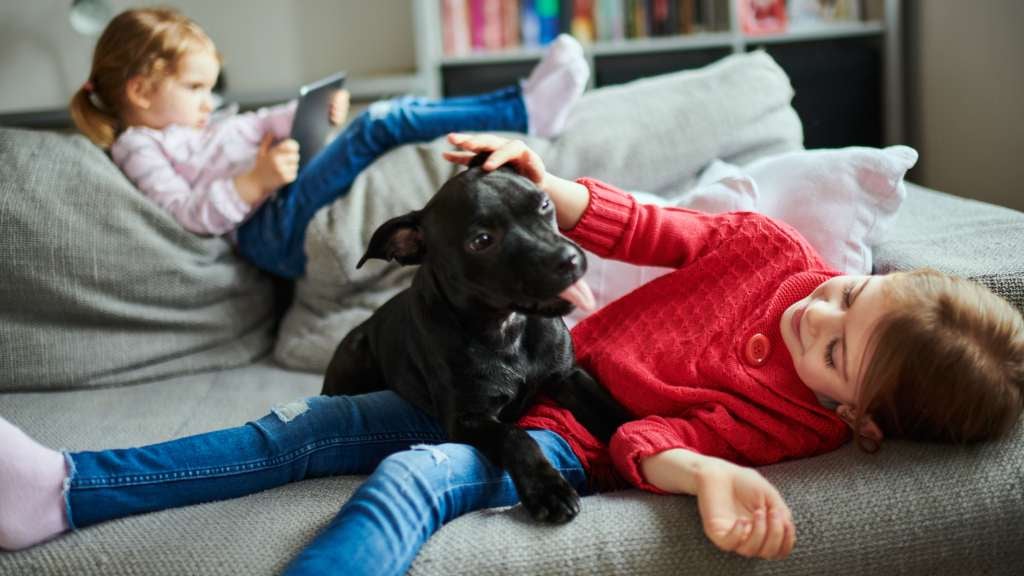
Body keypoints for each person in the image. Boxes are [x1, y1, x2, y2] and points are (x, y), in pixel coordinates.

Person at [2, 132, 1022, 573]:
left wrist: (703, 472)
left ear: (854, 419)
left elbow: (648, 437)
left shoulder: (786, 425)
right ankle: (62, 488)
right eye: (848, 293)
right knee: (303, 429)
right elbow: (653, 229)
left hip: (573, 434)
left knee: (407, 481)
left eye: (837, 351)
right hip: (519, 373)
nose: (815, 316)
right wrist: (553, 189)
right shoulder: (774, 255)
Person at [68, 8, 590, 278]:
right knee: (380, 122)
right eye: (196, 88)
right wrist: (252, 183)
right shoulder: (140, 146)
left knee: (382, 116)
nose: (208, 101)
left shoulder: (188, 126)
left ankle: (520, 101)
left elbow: (244, 127)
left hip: (275, 201)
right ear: (140, 90)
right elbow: (186, 212)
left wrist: (301, 115)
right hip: (267, 235)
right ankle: (524, 109)